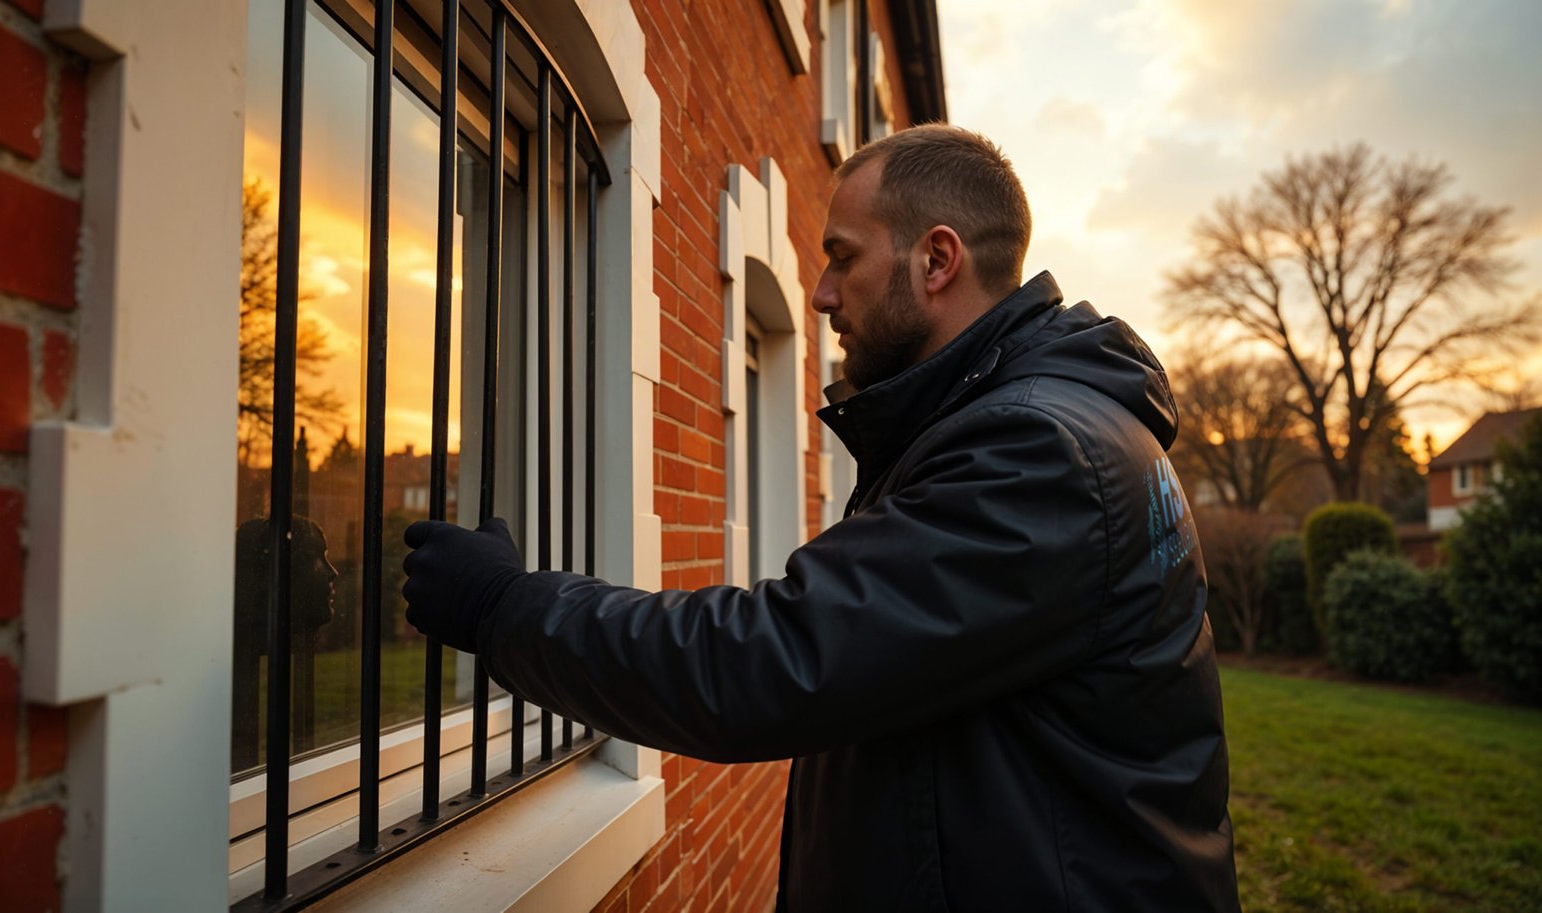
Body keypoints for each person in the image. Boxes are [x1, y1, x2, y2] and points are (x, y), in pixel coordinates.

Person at [402, 124, 1240, 911]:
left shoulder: (1036, 452)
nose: (820, 293)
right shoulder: (1036, 426)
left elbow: (777, 660)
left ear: (936, 259)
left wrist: (504, 607)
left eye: (843, 257)